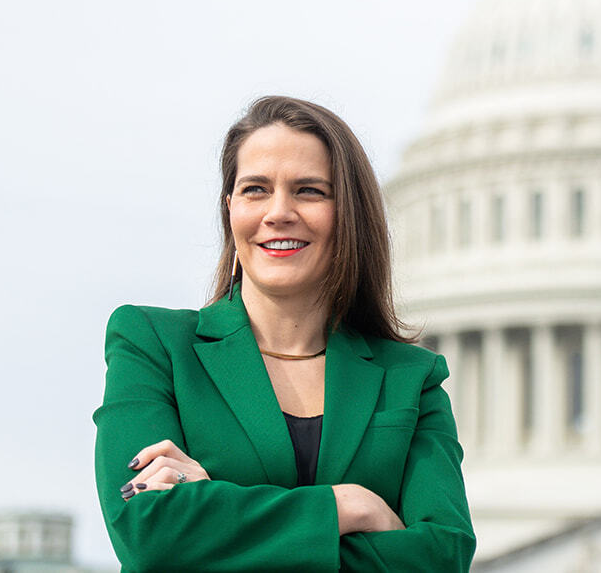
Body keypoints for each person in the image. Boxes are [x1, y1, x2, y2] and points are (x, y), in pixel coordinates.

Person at [93, 96, 475, 572]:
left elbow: (442, 557)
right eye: (256, 189)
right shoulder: (153, 344)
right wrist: (351, 507)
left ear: (349, 214)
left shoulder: (410, 378)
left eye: (309, 191)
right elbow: (147, 533)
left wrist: (211, 521)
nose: (279, 212)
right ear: (230, 209)